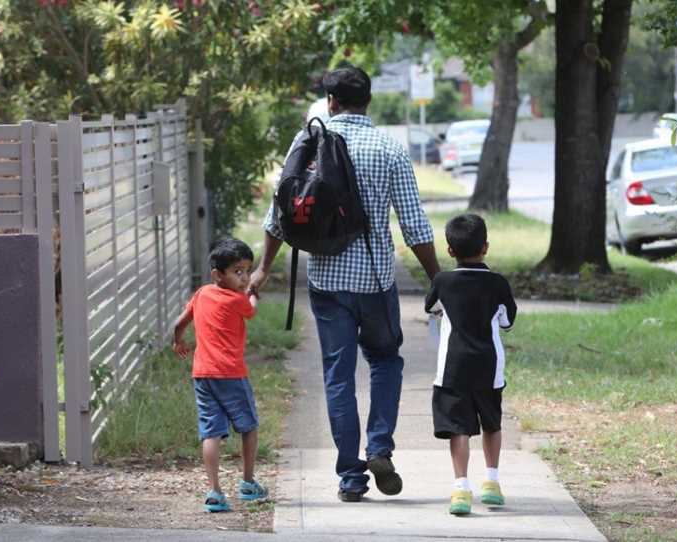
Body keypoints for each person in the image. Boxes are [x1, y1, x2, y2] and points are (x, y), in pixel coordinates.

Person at [250, 66, 440, 502]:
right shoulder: (389, 148)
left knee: (338, 376)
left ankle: (351, 477)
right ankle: (379, 447)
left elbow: (278, 215)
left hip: (327, 282)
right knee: (386, 361)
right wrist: (437, 279)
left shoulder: (308, 144)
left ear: (330, 102)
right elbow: (413, 223)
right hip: (375, 283)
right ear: (367, 101)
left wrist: (262, 269)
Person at [424, 214, 517, 516]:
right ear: (486, 247)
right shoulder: (498, 284)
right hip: (489, 367)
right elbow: (506, 322)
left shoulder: (443, 282)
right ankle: (492, 482)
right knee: (492, 423)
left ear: (450, 251)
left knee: (457, 428)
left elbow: (433, 309)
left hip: (453, 368)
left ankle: (461, 488)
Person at [172, 237, 269, 513]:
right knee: (248, 426)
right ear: (218, 274)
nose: (245, 277)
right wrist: (251, 292)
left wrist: (178, 341)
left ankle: (214, 491)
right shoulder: (237, 299)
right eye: (238, 271)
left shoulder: (202, 293)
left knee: (211, 432)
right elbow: (251, 311)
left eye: (247, 271)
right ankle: (248, 483)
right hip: (230, 374)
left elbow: (180, 323)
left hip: (202, 374)